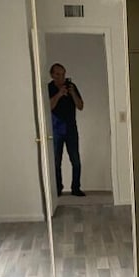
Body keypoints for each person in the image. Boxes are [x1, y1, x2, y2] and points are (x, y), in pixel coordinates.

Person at [48, 62, 85, 197]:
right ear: (52, 75)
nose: (61, 77)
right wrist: (59, 94)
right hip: (56, 128)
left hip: (71, 129)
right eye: (58, 74)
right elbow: (48, 107)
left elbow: (80, 106)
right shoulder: (49, 88)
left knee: (75, 159)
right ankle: (58, 188)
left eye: (63, 74)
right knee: (56, 161)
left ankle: (76, 188)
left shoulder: (71, 87)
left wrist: (72, 92)